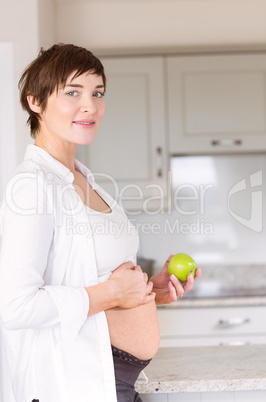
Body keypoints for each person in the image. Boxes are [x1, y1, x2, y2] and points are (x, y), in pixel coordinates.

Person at [0, 43, 201, 402]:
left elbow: (92, 280)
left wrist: (148, 292)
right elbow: (15, 306)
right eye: (72, 92)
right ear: (36, 102)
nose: (89, 105)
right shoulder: (33, 185)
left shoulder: (86, 181)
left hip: (113, 382)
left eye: (97, 93)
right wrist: (113, 293)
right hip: (73, 384)